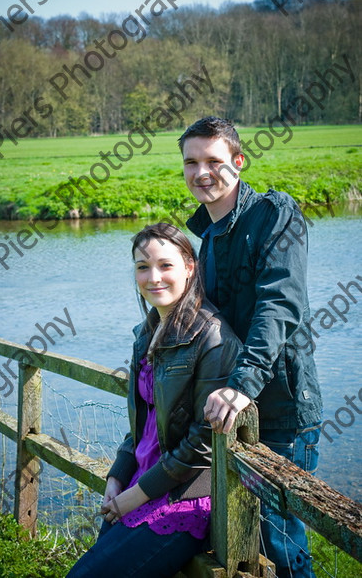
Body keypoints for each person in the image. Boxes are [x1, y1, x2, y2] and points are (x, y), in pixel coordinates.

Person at [178, 117, 323, 578]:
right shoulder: (207, 239)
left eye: (214, 161)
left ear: (238, 162)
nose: (203, 172)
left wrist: (242, 383)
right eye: (191, 162)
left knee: (281, 546)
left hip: (278, 409)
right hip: (234, 412)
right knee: (241, 538)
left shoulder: (274, 214)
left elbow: (280, 304)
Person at [67, 223, 241, 578]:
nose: (153, 277)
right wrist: (119, 476)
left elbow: (205, 441)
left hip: (185, 498)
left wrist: (139, 494)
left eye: (165, 265)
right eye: (142, 266)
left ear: (190, 267)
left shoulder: (213, 338)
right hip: (141, 486)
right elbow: (144, 424)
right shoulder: (147, 332)